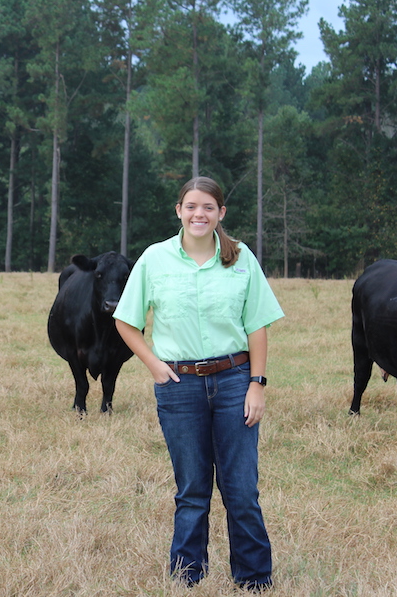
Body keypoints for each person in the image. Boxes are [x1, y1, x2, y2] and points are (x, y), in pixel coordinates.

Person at [113, 176, 283, 592]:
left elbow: (257, 325)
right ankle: (188, 575)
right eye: (191, 206)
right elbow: (125, 320)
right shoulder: (154, 259)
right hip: (180, 386)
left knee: (240, 488)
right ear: (179, 211)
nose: (199, 214)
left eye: (208, 207)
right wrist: (154, 365)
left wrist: (256, 384)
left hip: (234, 382)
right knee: (192, 488)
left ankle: (255, 578)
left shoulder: (241, 259)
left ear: (221, 213)